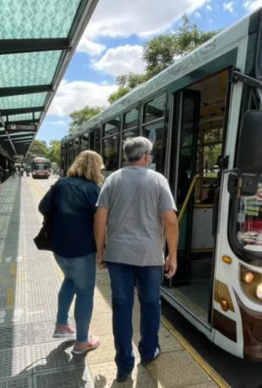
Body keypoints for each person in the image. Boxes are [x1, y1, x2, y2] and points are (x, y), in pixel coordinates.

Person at [94, 137, 179, 382]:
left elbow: (100, 218)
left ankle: (123, 365)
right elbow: (170, 221)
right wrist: (172, 255)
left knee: (121, 307)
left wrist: (100, 251)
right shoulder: (157, 180)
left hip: (118, 255)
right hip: (150, 256)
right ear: (146, 156)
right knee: (151, 302)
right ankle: (149, 350)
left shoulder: (112, 180)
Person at [39, 150, 105, 354]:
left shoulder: (61, 184)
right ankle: (82, 341)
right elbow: (101, 221)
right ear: (95, 167)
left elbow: (43, 207)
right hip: (82, 249)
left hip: (59, 247)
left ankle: (61, 325)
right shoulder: (94, 189)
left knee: (69, 280)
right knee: (85, 293)